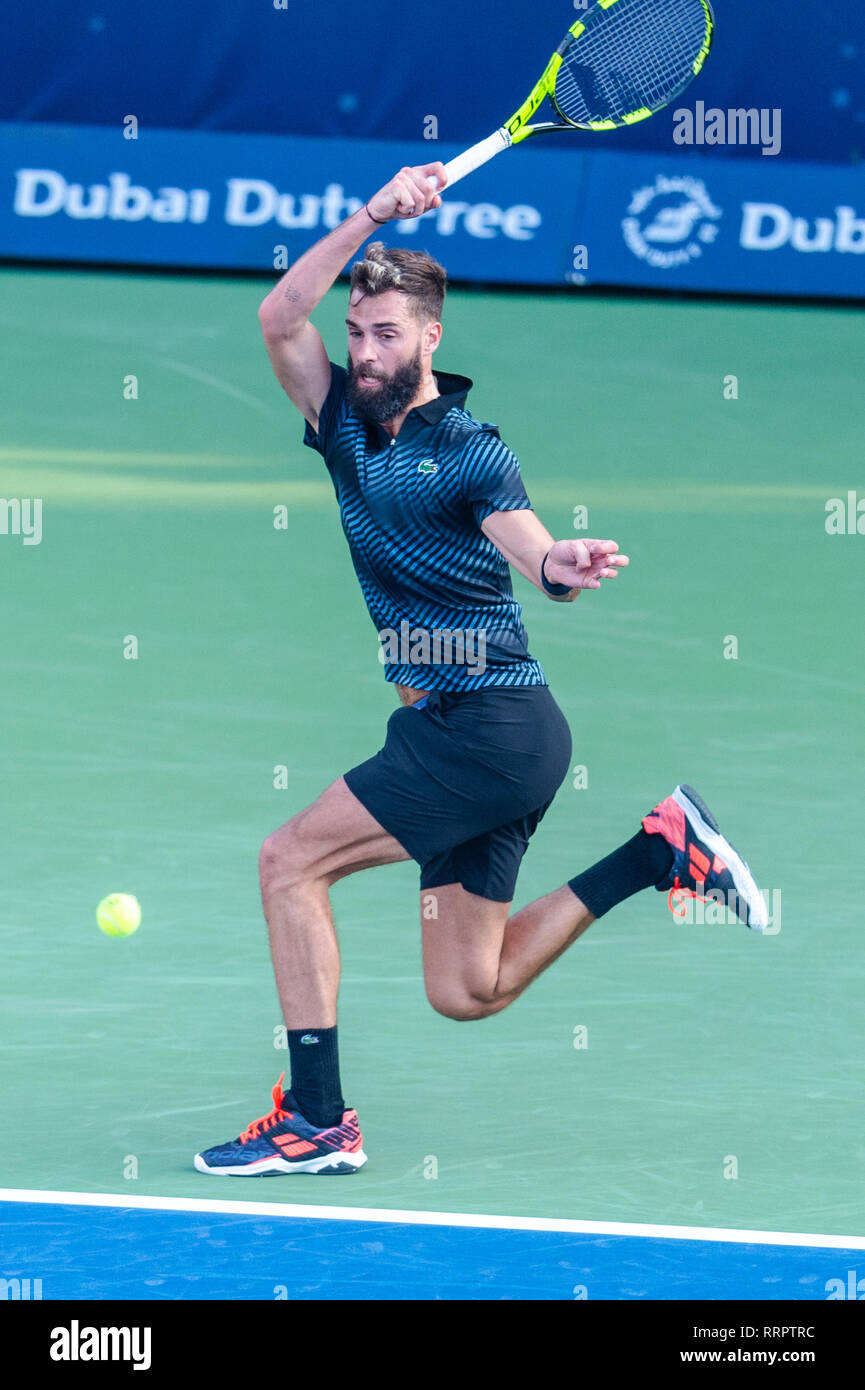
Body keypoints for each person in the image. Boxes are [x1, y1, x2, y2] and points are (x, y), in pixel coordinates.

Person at [194, 163, 766, 1177]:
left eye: (386, 333)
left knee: (289, 861)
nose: (365, 351)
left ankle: (317, 1119)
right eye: (358, 332)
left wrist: (558, 562)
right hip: (489, 734)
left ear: (431, 337)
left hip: (485, 725)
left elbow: (529, 544)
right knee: (469, 987)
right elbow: (281, 316)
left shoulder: (470, 449)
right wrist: (369, 209)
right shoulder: (338, 422)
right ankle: (660, 848)